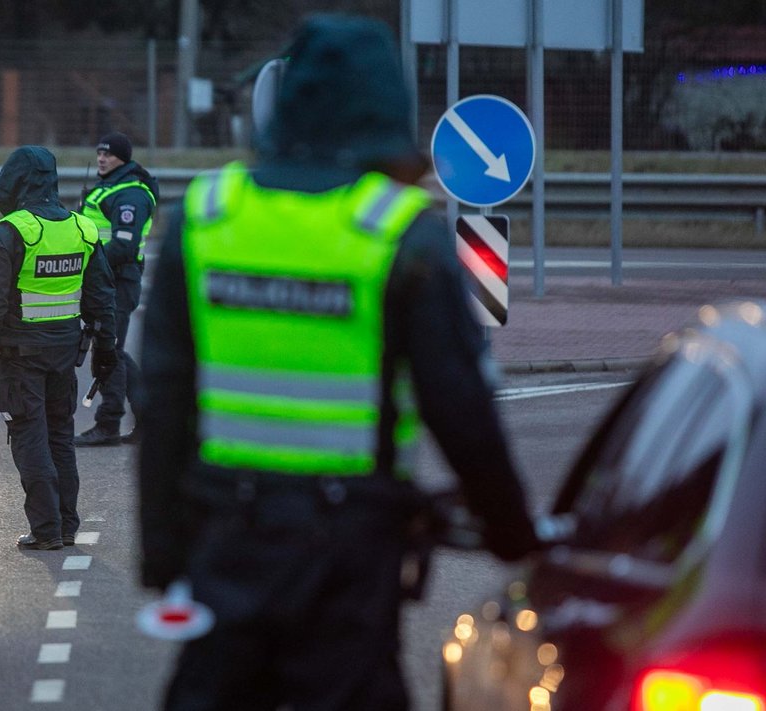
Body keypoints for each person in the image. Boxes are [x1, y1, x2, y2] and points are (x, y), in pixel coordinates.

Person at [136, 14, 540, 710]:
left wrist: (164, 554)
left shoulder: (205, 219)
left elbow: (163, 403)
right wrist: (512, 533)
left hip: (227, 543)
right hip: (350, 559)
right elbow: (464, 413)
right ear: (386, 112)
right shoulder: (400, 234)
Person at [0, 145, 118, 551]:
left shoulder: (10, 233)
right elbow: (102, 299)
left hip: (20, 358)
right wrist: (106, 350)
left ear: (12, 181)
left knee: (29, 438)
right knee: (60, 437)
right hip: (64, 355)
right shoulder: (81, 229)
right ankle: (66, 526)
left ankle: (46, 530)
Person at [73, 131, 160, 447]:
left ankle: (108, 424)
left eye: (108, 154)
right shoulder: (108, 187)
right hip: (105, 281)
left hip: (118, 281)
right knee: (114, 352)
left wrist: (88, 264)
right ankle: (147, 420)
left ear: (123, 158)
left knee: (109, 352)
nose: (101, 158)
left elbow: (123, 246)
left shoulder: (131, 195)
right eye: (99, 152)